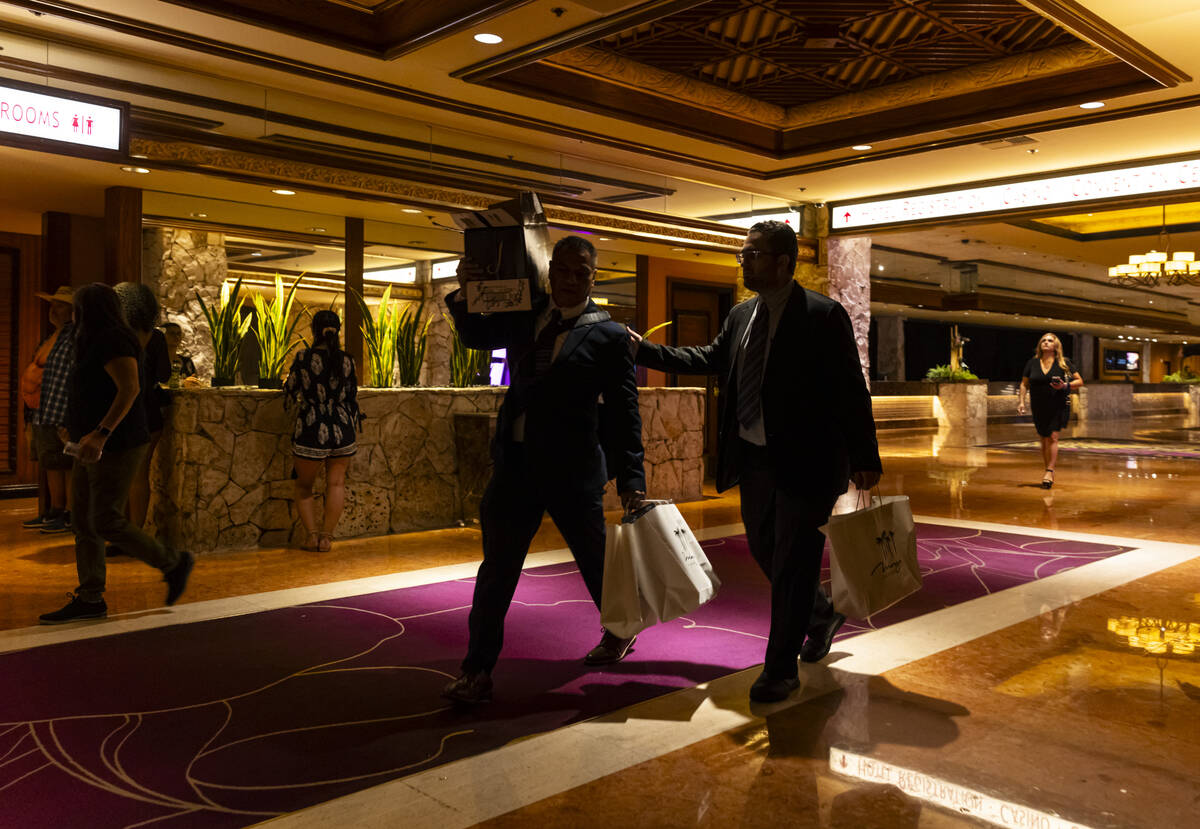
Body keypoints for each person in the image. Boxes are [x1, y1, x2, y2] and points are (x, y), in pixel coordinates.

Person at [630, 221, 882, 703]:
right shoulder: (742, 316)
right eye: (743, 253)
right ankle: (821, 614)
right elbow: (709, 357)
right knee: (766, 548)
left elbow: (850, 390)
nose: (742, 260)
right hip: (756, 458)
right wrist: (644, 350)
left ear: (783, 262)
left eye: (751, 253)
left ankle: (780, 668)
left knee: (792, 559)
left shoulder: (822, 315)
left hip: (808, 462)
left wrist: (864, 455)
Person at [441, 234, 647, 704]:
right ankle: (476, 671)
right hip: (515, 468)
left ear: (594, 277)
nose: (573, 280)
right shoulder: (524, 315)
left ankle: (619, 629)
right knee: (497, 571)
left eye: (584, 273)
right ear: (550, 270)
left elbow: (623, 412)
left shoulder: (609, 335)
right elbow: (475, 336)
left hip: (574, 471)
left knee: (595, 562)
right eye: (565, 270)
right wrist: (464, 292)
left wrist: (633, 481)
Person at [39, 283, 194, 625]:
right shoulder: (91, 339)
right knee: (82, 518)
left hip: (118, 443)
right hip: (89, 442)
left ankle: (172, 562)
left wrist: (101, 432)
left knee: (105, 518)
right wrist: (74, 426)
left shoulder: (113, 339)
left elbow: (130, 389)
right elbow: (89, 389)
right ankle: (91, 596)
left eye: (78, 308)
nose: (74, 315)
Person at [283, 310, 361, 553]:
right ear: (337, 330)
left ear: (314, 330)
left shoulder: (303, 356)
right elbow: (351, 394)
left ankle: (311, 536)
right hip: (342, 426)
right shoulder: (347, 360)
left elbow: (291, 387)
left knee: (304, 486)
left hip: (311, 427)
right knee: (336, 484)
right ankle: (326, 538)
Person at [115, 282, 172, 534]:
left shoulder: (115, 335)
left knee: (125, 475)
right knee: (139, 474)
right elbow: (164, 374)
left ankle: (126, 531)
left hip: (121, 412)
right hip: (147, 411)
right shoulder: (156, 337)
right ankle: (133, 531)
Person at [21, 286, 76, 534]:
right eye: (53, 304)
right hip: (43, 409)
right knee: (51, 462)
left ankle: (69, 515)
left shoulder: (76, 336)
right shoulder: (53, 335)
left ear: (73, 310)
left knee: (67, 464)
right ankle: (54, 511)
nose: (54, 309)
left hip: (61, 410)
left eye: (61, 305)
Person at [1017, 332, 1082, 489]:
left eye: (1050, 341)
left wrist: (1065, 386)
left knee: (1052, 436)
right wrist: (1021, 402)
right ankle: (1049, 471)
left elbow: (1079, 381)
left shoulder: (1063, 363)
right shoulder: (1032, 363)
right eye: (1043, 341)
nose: (1046, 343)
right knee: (1043, 437)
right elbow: (1024, 384)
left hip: (1057, 403)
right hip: (1038, 404)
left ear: (1055, 345)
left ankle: (1048, 470)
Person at [161, 322, 199, 388]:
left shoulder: (187, 362)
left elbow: (195, 382)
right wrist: (183, 383)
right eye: (172, 333)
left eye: (178, 333)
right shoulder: (156, 360)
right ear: (162, 336)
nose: (176, 336)